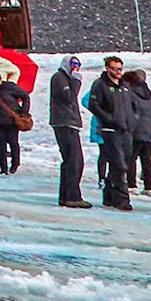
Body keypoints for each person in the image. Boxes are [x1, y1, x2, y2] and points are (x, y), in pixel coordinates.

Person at [87, 55, 135, 210]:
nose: (118, 72)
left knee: (125, 163)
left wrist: (133, 120)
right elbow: (93, 105)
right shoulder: (100, 85)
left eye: (120, 69)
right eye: (115, 69)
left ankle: (109, 194)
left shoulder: (125, 86)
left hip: (126, 130)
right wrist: (109, 119)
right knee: (118, 164)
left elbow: (133, 106)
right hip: (110, 130)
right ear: (107, 68)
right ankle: (122, 199)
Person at [50, 55, 92, 208]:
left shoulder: (64, 78)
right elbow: (69, 97)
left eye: (78, 65)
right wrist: (76, 81)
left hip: (69, 122)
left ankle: (66, 195)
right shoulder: (59, 78)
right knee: (74, 160)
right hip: (64, 122)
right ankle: (72, 196)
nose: (76, 68)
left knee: (71, 161)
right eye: (73, 64)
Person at [0, 70, 30, 174]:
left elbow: (25, 96)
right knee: (0, 146)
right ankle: (4, 169)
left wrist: (24, 112)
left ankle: (15, 164)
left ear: (0, 78)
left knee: (13, 144)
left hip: (11, 122)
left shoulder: (10, 87)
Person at [125, 68, 151, 193]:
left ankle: (131, 185)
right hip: (150, 130)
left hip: (136, 130)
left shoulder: (129, 91)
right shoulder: (147, 92)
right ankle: (148, 186)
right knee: (146, 160)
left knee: (131, 158)